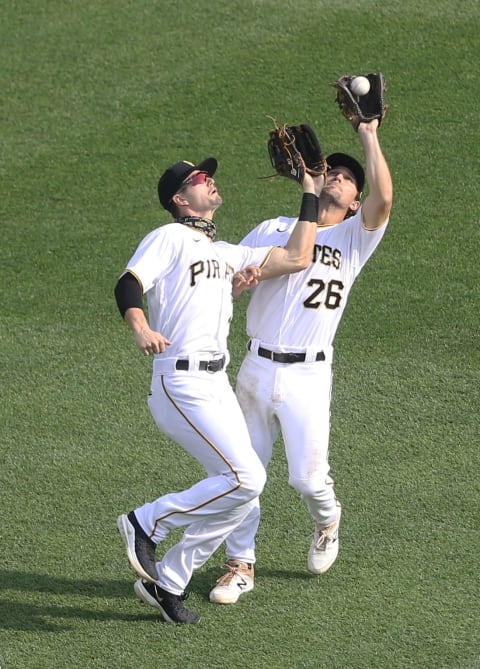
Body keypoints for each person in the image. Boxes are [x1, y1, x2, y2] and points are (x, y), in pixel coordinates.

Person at [114, 156, 325, 623]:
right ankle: (146, 521)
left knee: (245, 490)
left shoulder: (226, 252)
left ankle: (168, 580)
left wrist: (309, 192)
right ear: (179, 198)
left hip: (215, 383)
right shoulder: (169, 237)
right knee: (246, 479)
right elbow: (128, 283)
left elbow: (297, 257)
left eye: (207, 175)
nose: (209, 180)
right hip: (180, 381)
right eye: (197, 179)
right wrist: (140, 326)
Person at [209, 118, 393, 605]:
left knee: (307, 479)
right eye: (333, 170)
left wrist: (368, 133)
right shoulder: (273, 227)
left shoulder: (355, 237)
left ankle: (327, 520)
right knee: (240, 472)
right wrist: (237, 283)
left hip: (309, 374)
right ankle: (239, 563)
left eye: (350, 179)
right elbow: (228, 279)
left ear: (355, 201)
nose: (338, 177)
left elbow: (385, 201)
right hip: (254, 368)